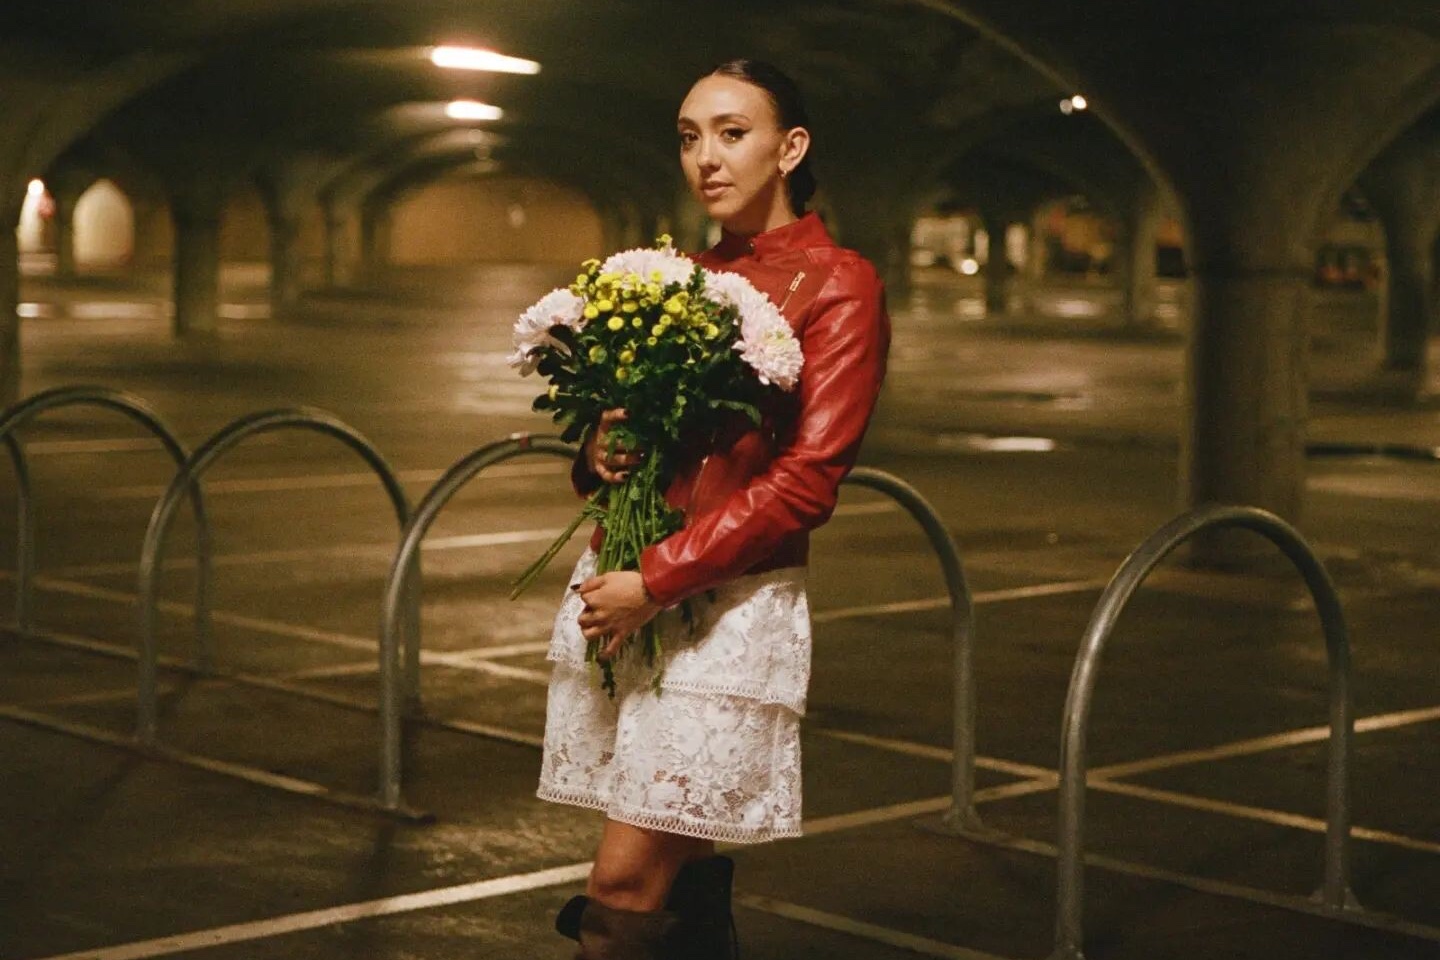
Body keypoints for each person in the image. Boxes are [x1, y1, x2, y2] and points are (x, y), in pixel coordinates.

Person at [537, 57, 891, 959]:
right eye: (691, 136)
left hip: (725, 608)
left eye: (733, 133)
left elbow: (810, 478)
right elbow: (638, 450)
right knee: (668, 881)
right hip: (629, 595)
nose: (707, 157)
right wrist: (600, 450)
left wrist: (657, 577)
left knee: (620, 884)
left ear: (791, 147)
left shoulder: (840, 282)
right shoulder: (674, 275)